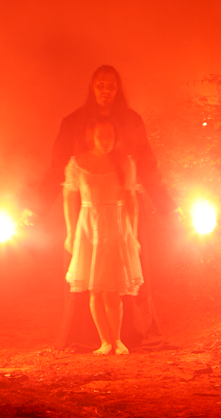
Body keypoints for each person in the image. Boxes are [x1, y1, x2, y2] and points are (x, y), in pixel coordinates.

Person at [44, 65, 171, 349]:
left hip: (122, 215)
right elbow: (57, 172)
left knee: (126, 273)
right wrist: (33, 208)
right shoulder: (74, 123)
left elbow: (148, 168)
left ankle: (131, 335)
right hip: (88, 219)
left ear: (118, 89)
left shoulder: (131, 122)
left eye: (110, 85)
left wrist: (169, 208)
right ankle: (88, 338)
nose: (105, 91)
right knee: (88, 277)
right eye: (100, 85)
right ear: (92, 88)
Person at [62, 117, 144, 354]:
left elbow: (131, 200)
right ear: (92, 136)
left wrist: (134, 235)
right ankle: (105, 342)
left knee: (110, 290)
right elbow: (70, 198)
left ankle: (116, 340)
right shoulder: (77, 163)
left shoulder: (124, 163)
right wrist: (70, 232)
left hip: (116, 227)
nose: (106, 140)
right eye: (101, 135)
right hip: (89, 226)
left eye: (110, 135)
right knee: (95, 289)